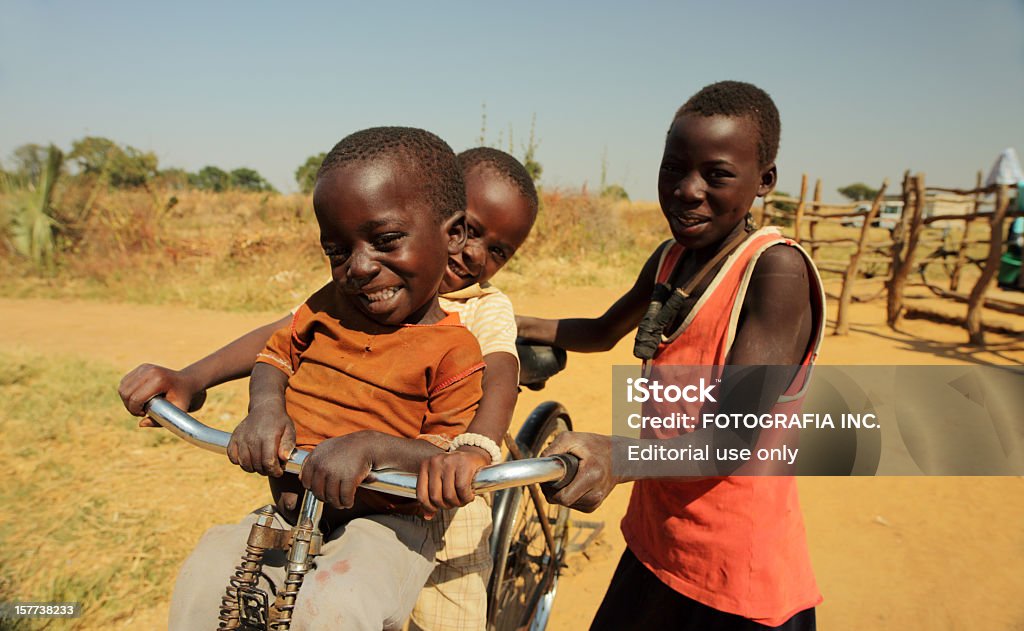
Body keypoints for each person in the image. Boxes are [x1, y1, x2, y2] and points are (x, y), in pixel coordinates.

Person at [118, 146, 540, 630]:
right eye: (471, 230)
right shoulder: (354, 288)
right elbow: (281, 338)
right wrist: (192, 378)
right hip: (325, 483)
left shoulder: (481, 313)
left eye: (497, 250)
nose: (472, 254)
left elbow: (500, 382)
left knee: (444, 605)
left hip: (430, 491)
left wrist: (473, 452)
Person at [516, 81, 825, 630]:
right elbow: (601, 330)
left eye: (717, 174)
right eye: (673, 169)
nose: (687, 190)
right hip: (661, 541)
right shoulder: (672, 258)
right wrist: (492, 322)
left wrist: (617, 456)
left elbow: (732, 439)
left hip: (733, 570)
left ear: (764, 181)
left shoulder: (776, 273)